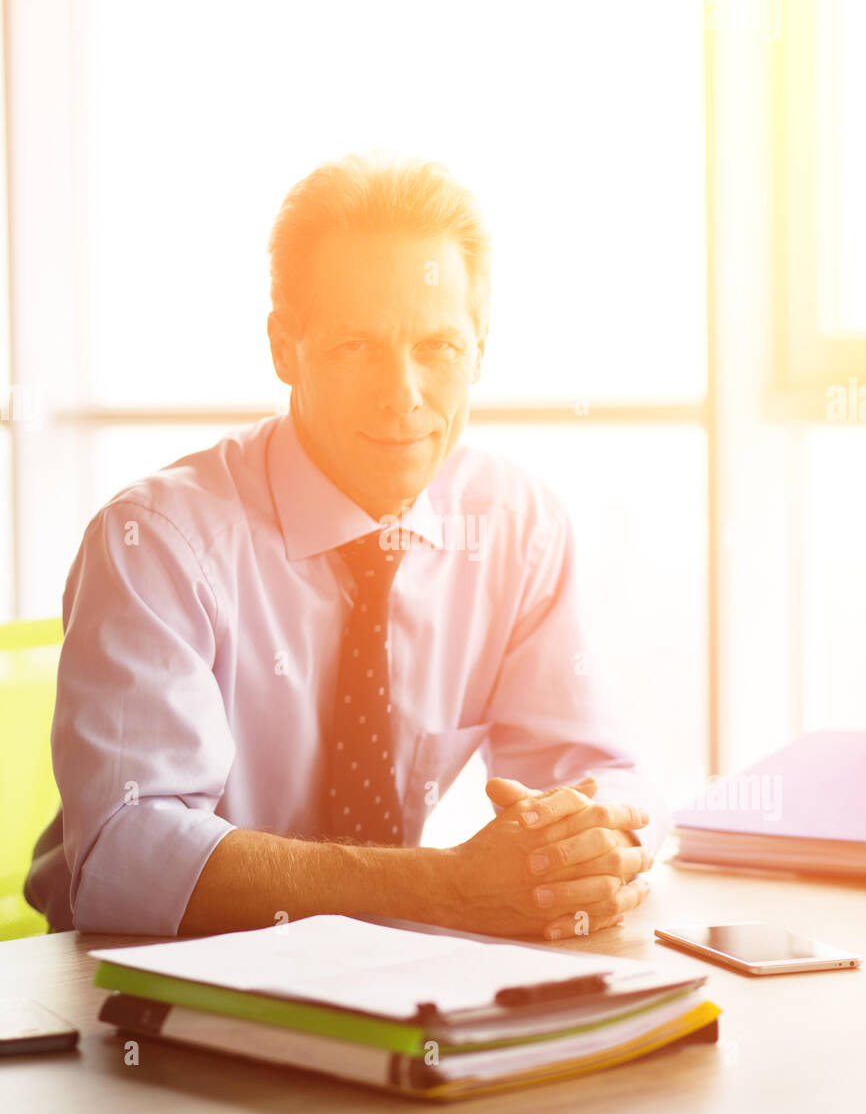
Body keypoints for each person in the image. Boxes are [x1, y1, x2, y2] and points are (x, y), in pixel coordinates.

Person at [25, 151, 669, 939]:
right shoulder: (155, 542)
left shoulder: (515, 525)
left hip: (383, 995)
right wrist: (447, 887)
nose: (403, 395)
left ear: (480, 351)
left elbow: (596, 772)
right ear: (284, 349)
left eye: (438, 348)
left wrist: (592, 847)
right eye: (355, 347)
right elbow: (126, 859)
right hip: (149, 990)